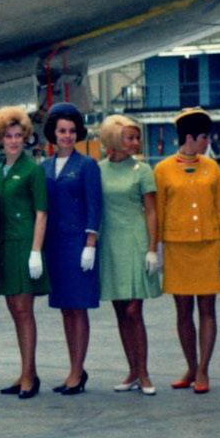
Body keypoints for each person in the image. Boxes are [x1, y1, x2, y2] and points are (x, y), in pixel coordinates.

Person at [154, 108, 220, 394]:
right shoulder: (162, 170)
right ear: (190, 137)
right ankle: (191, 365)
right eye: (204, 137)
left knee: (207, 309)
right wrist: (157, 249)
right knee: (183, 311)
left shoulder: (212, 168)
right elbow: (158, 212)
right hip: (177, 248)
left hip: (209, 246)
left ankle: (203, 370)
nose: (207, 142)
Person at [96, 114, 160, 395]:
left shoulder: (143, 170)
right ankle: (132, 370)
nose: (136, 142)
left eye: (137, 137)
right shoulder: (98, 170)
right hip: (110, 243)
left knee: (134, 310)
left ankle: (144, 372)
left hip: (135, 241)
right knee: (120, 310)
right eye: (130, 138)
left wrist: (152, 248)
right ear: (113, 139)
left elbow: (152, 211)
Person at [41, 104, 102, 395]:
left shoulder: (87, 165)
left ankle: (78, 371)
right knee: (66, 308)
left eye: (71, 131)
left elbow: (94, 205)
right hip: (55, 246)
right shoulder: (44, 167)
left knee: (78, 308)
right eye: (62, 131)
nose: (67, 136)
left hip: (78, 245)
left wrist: (90, 243)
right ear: (53, 133)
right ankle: (73, 368)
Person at [0, 105, 48, 398]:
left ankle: (28, 375)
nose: (13, 141)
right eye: (8, 136)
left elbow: (41, 213)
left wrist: (36, 251)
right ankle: (27, 371)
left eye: (17, 135)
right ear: (0, 139)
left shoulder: (32, 170)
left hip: (25, 246)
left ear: (25, 138)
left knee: (24, 311)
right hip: (5, 248)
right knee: (14, 310)